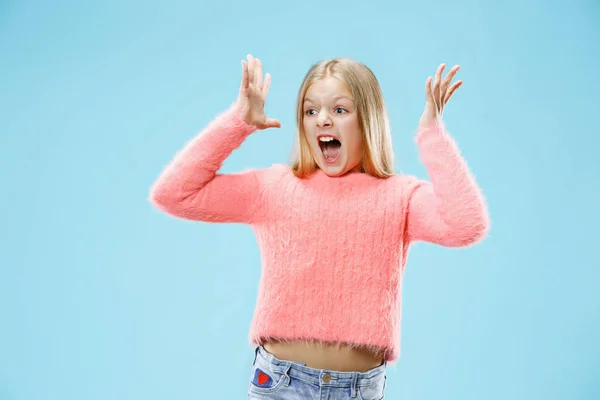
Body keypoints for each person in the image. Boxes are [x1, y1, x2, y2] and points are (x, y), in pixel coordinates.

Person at [149, 54, 490, 399]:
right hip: (280, 383)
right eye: (311, 111)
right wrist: (238, 122)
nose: (322, 120)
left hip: (358, 389)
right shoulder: (273, 188)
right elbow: (173, 194)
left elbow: (466, 224)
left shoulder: (400, 196)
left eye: (340, 110)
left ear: (368, 120)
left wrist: (432, 134)